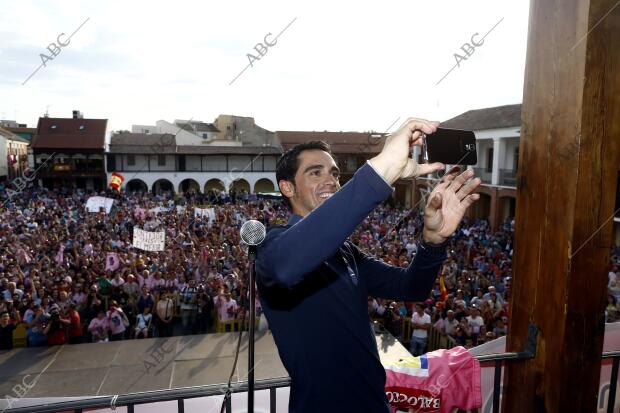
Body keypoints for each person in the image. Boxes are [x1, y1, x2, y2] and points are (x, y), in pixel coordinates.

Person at [256, 118, 480, 413]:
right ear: (287, 187)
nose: (331, 180)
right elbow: (287, 266)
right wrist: (383, 167)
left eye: (334, 173)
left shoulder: (346, 252)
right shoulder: (271, 247)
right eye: (315, 172)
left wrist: (433, 241)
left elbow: (411, 287)